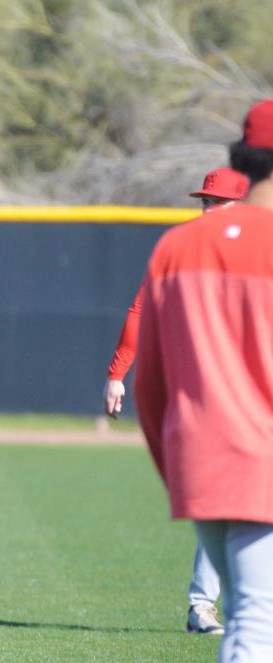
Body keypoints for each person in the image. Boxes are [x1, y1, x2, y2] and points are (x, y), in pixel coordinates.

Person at [134, 98, 273, 662]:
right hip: (261, 462)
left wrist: (181, 473)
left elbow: (151, 387)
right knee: (257, 629)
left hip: (202, 466)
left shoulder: (176, 246)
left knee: (246, 619)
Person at [102, 165, 248, 635]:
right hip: (215, 395)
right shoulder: (183, 250)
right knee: (226, 503)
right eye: (204, 200)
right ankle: (203, 604)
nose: (207, 208)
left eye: (216, 200)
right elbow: (141, 310)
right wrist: (117, 374)